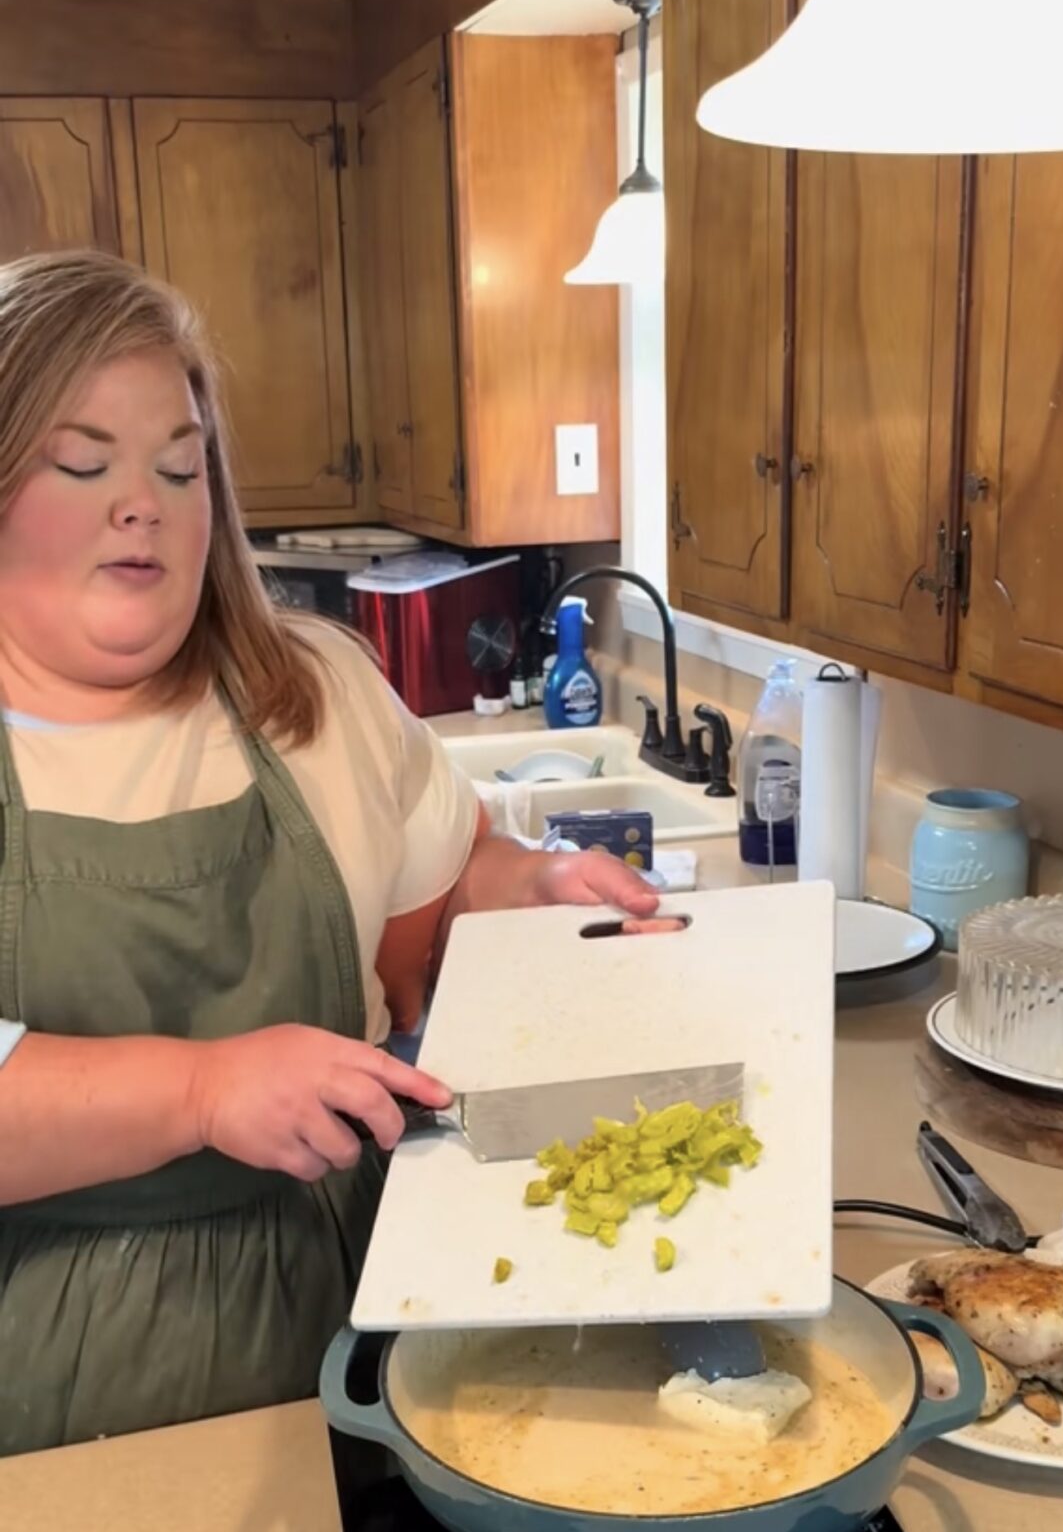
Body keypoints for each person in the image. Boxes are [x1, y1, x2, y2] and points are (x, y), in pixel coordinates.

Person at [0, 250, 658, 1457]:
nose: (142, 500)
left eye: (180, 464)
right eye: (82, 461)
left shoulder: (313, 691)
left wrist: (541, 889)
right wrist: (202, 1092)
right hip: (52, 1375)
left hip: (366, 1304)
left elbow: (430, 909)